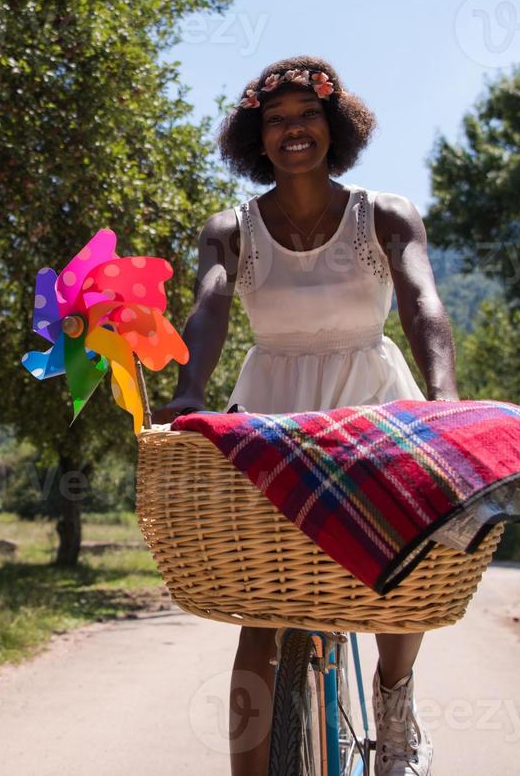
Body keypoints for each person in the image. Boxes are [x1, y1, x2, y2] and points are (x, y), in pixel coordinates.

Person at [153, 57, 457, 776]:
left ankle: (392, 704)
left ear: (335, 127)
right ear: (256, 139)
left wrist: (443, 396)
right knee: (260, 610)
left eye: (307, 116)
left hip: (371, 399)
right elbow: (210, 305)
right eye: (277, 121)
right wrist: (190, 391)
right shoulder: (229, 227)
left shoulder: (383, 214)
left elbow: (420, 302)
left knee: (400, 574)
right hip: (272, 410)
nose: (293, 131)